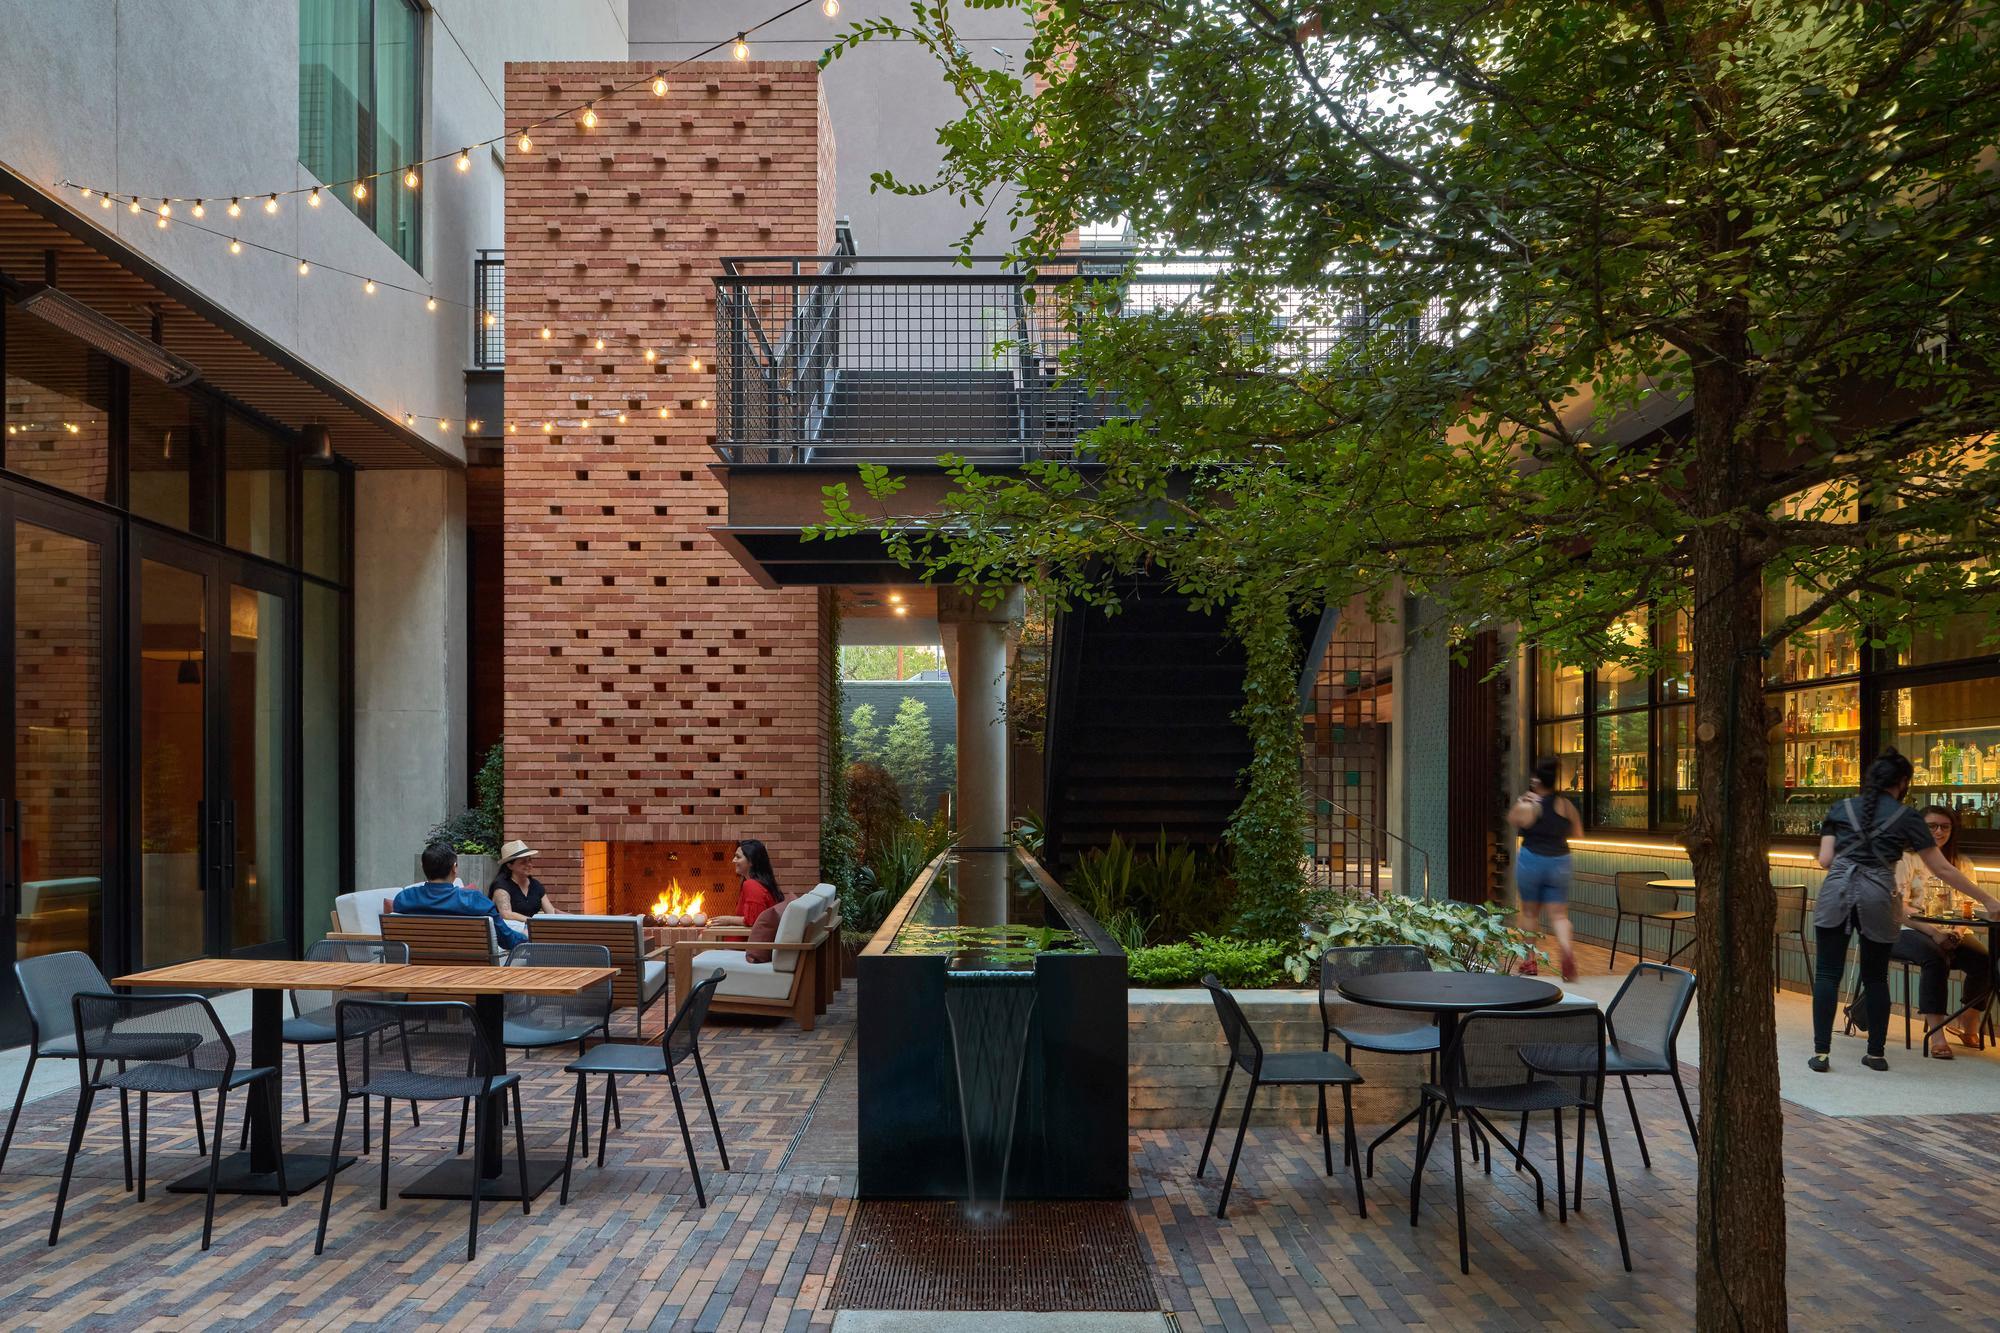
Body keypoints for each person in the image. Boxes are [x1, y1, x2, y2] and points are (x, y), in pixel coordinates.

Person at [1810, 750, 1995, 1073]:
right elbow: (1942, 869)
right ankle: (1876, 1054)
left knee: (1827, 974)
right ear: (1903, 783)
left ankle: (1822, 1054)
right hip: (1879, 894)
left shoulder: (1840, 809)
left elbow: (1825, 860)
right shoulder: (1907, 817)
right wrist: (1989, 901)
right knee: (1876, 976)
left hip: (1836, 891)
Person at [1887, 806, 1997, 1057]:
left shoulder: (1962, 863)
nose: (1938, 831)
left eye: (1945, 826)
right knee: (1935, 957)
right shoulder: (1904, 859)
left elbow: (1967, 907)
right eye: (1932, 826)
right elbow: (1897, 908)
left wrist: (1957, 931)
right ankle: (1937, 1036)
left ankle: (1967, 1024)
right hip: (1907, 929)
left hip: (1951, 931)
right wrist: (1934, 932)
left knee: (1985, 960)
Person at [1506, 757, 1581, 982]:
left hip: (1532, 860)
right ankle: (1566, 950)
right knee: (1559, 915)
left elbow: (1512, 819)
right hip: (1560, 860)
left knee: (1529, 912)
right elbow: (1578, 832)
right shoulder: (1565, 805)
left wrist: (1522, 800)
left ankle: (1529, 961)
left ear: (1537, 780)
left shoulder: (1529, 804)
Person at [394, 841, 527, 950]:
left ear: (423, 866)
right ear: (454, 868)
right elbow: (508, 940)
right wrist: (526, 935)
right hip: (470, 974)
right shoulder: (474, 900)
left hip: (417, 973)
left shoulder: (403, 899)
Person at [711, 838, 784, 928]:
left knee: (702, 937)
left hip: (743, 940)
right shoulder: (755, 884)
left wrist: (728, 920)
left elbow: (753, 920)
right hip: (739, 936)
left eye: (738, 857)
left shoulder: (752, 885)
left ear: (751, 861)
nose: (733, 860)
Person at [488, 839, 550, 922]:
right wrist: (534, 922)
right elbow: (506, 914)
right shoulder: (501, 886)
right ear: (510, 866)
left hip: (532, 930)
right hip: (509, 932)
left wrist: (569, 919)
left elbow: (550, 911)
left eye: (530, 860)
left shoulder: (535, 885)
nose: (529, 865)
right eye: (523, 862)